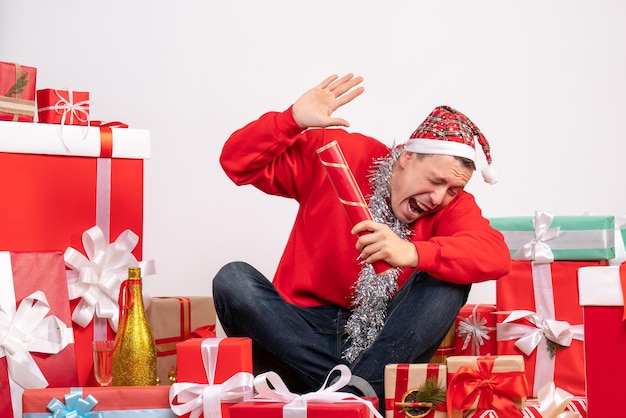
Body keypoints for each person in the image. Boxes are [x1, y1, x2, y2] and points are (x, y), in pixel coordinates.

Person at [213, 73, 511, 406]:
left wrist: (413, 253)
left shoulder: (452, 206)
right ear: (407, 157)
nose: (439, 197)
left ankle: (351, 395)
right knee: (232, 279)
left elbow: (496, 255)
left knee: (450, 279)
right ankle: (357, 396)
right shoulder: (340, 153)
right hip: (299, 334)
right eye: (436, 180)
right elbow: (236, 163)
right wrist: (291, 120)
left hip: (385, 341)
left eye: (453, 189)